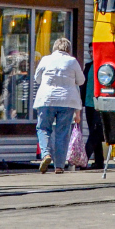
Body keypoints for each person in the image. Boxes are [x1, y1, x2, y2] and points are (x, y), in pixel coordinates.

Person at [34, 37, 85, 174]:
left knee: (43, 128)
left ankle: (46, 154)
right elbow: (81, 81)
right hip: (67, 101)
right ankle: (60, 166)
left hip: (46, 100)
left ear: (54, 48)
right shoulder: (72, 61)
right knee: (62, 133)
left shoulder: (45, 59)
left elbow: (37, 78)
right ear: (68, 50)